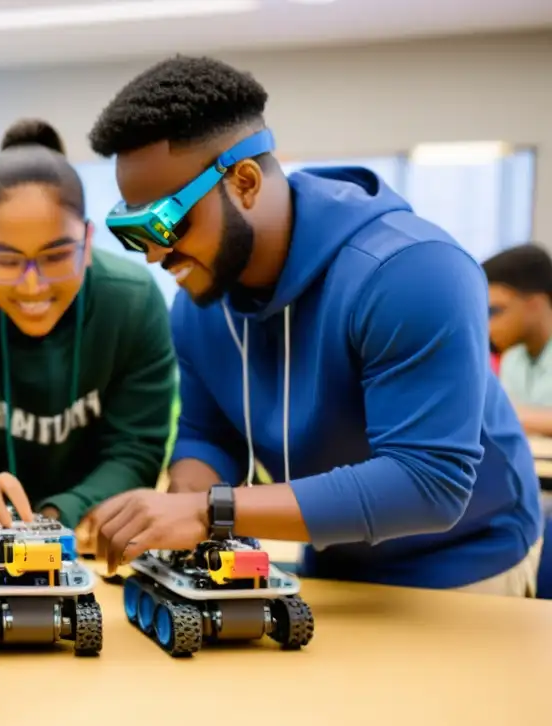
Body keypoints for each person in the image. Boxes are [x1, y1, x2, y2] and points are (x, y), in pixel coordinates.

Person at [83, 55, 543, 596]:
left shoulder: (411, 271)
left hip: (466, 563)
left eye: (162, 222)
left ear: (245, 181)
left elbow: (428, 482)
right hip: (334, 556)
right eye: (131, 231)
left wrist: (210, 512)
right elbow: (210, 434)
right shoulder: (199, 303)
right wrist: (180, 502)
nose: (155, 254)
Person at [0, 119, 176, 530]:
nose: (32, 286)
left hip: (88, 533)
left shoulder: (132, 300)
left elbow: (137, 448)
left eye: (56, 257)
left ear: (88, 240)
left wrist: (54, 519)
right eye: (6, 260)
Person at [484, 243, 552, 436]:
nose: (489, 326)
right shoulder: (513, 357)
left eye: (495, 311)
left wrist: (503, 414)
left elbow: (501, 419)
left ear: (535, 304)